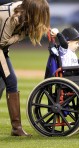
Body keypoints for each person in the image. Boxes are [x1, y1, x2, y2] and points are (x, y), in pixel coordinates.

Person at [0, 0, 50, 136]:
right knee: (11, 80)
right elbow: (2, 42)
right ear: (33, 11)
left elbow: (39, 25)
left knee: (1, 85)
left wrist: (49, 31)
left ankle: (16, 129)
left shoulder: (25, 10)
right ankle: (17, 128)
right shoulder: (10, 16)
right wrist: (21, 35)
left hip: (2, 50)